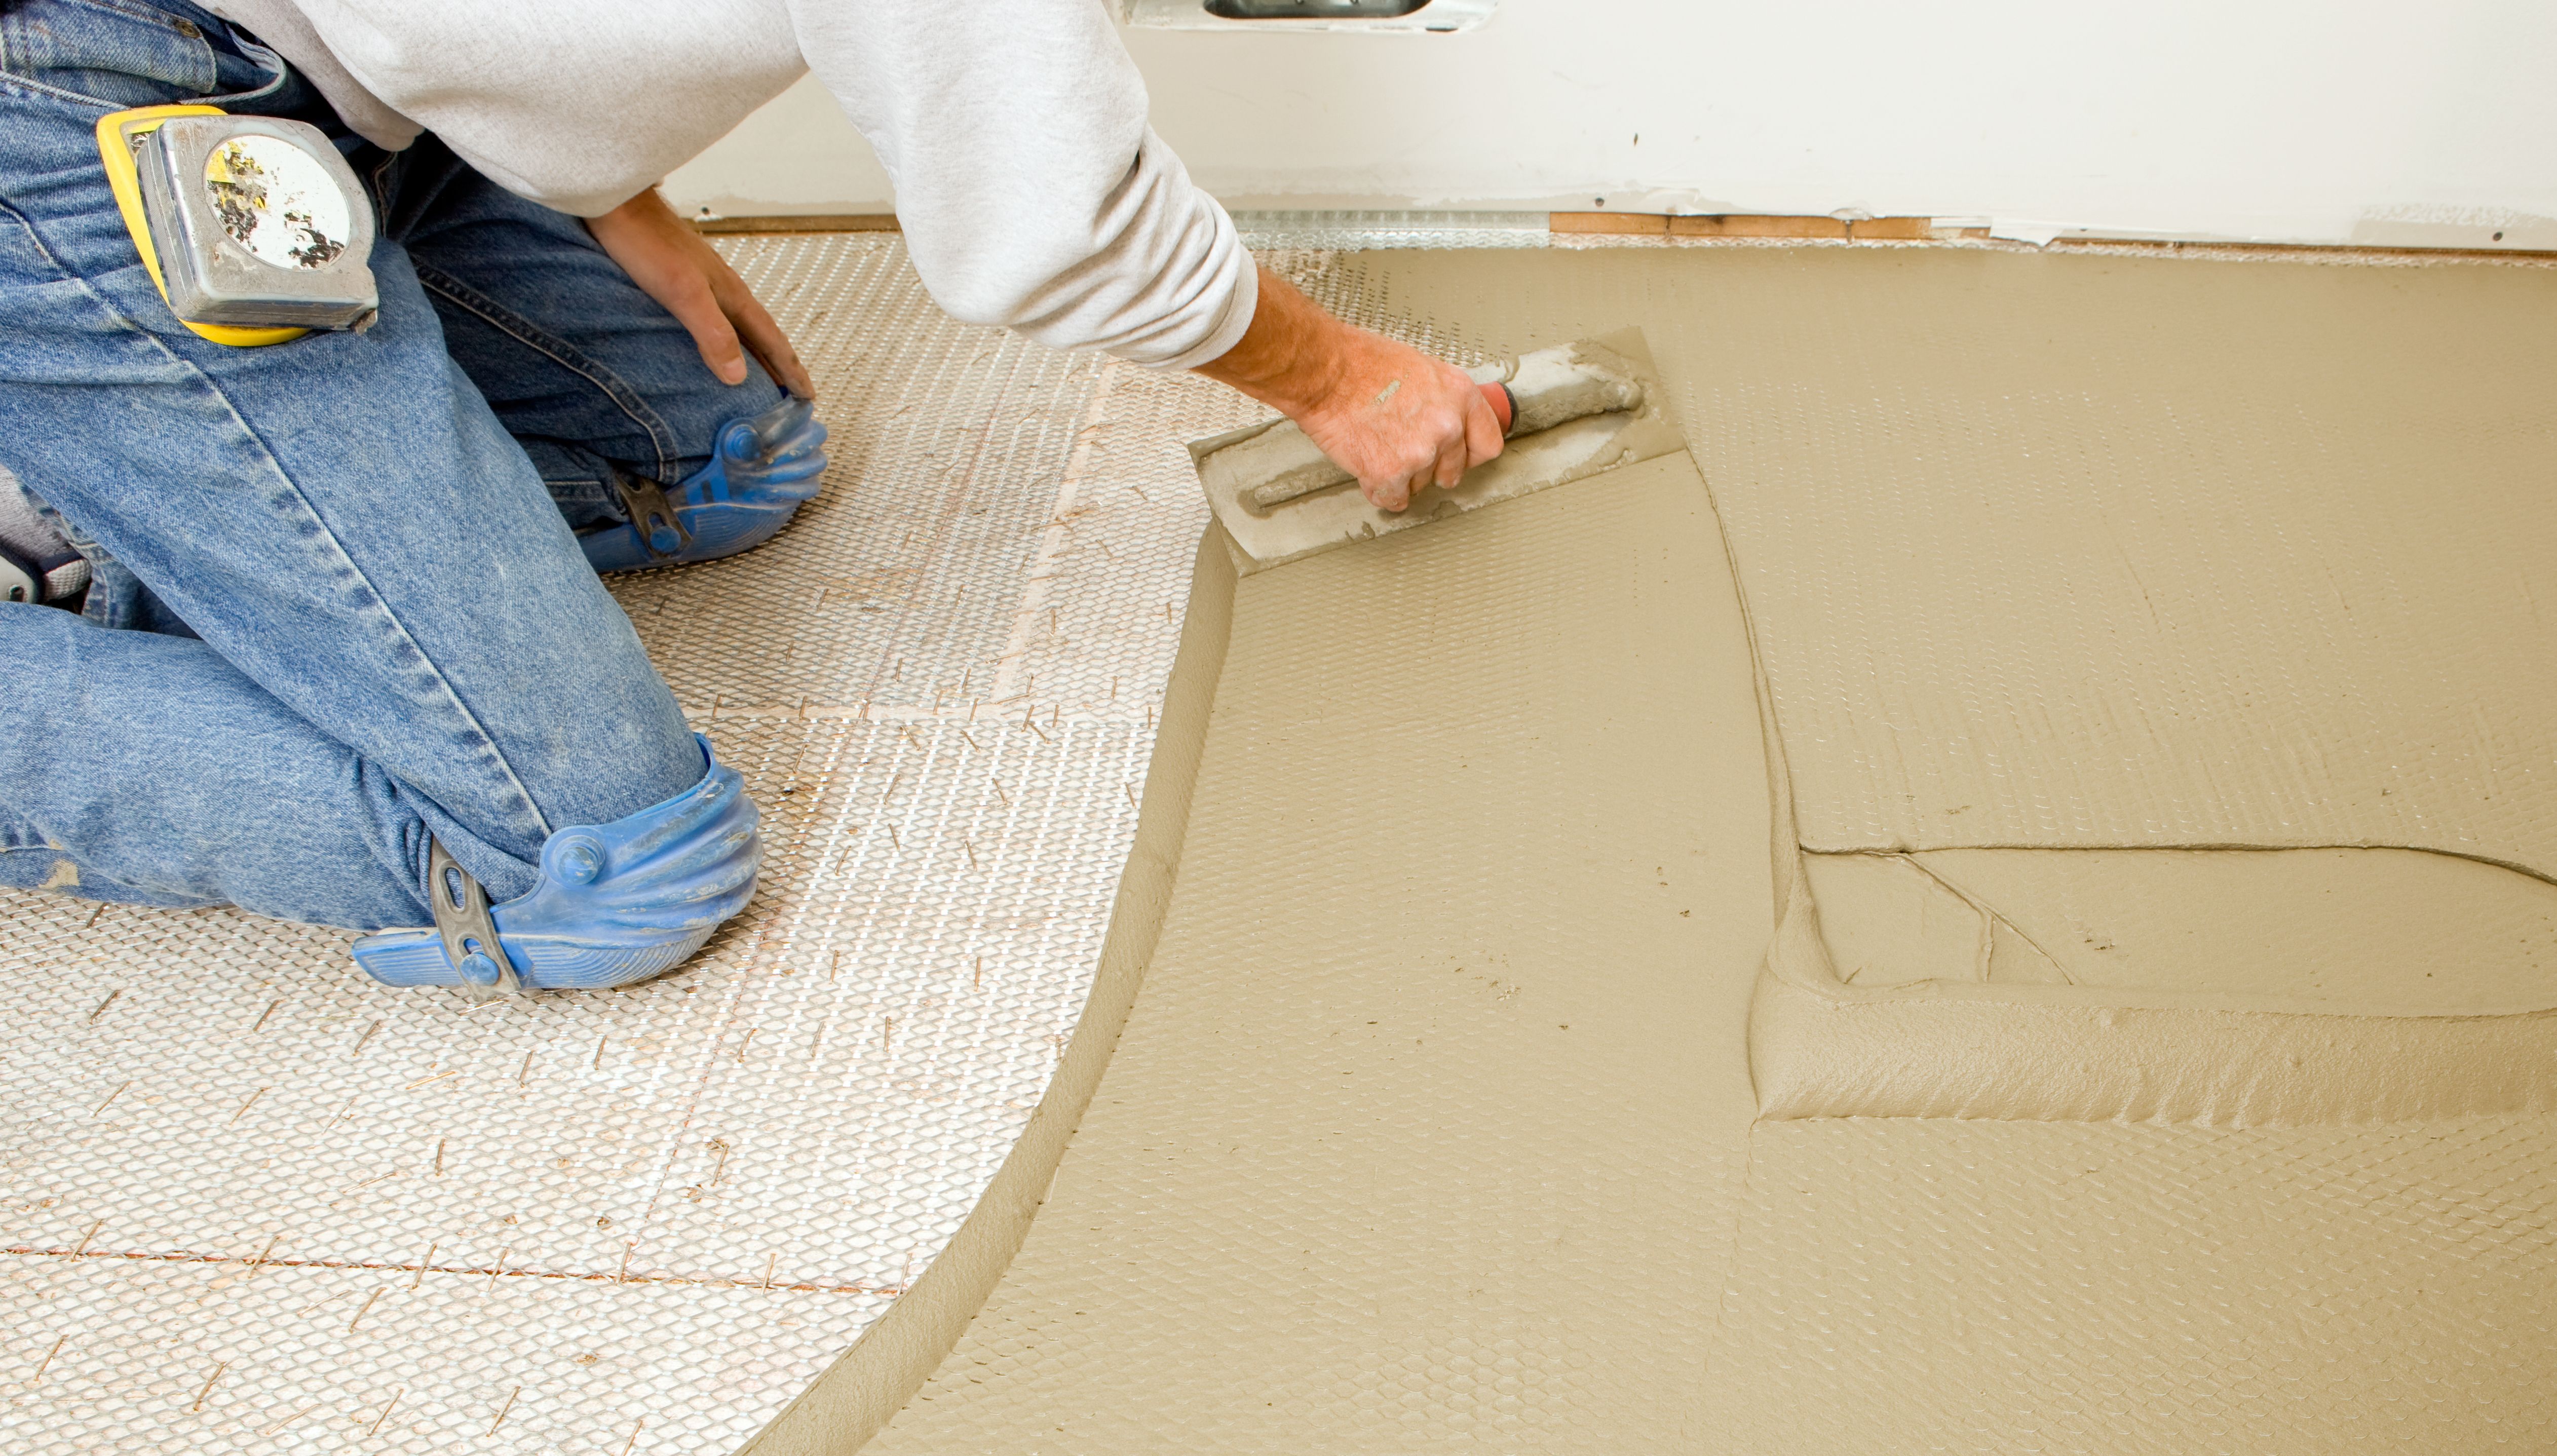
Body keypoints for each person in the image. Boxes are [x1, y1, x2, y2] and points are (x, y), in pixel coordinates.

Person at [0, 0, 1502, 994]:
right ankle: (111, 440)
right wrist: (1342, 380)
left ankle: (131, 473)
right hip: (65, 114)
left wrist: (596, 176)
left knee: (720, 460)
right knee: (604, 866)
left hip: (321, 100)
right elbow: (1052, 228)